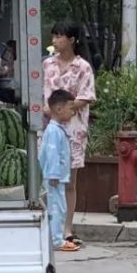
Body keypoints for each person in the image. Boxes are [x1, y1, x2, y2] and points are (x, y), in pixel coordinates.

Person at [42, 21, 96, 248]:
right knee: (48, 178)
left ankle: (66, 229)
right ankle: (47, 228)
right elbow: (39, 93)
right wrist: (47, 110)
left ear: (72, 40)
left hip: (73, 130)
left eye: (59, 36)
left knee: (69, 181)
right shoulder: (47, 65)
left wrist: (62, 108)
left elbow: (86, 96)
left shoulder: (82, 67)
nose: (55, 41)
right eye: (54, 36)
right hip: (49, 128)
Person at [40, 89, 77, 252]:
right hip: (54, 178)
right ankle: (56, 240)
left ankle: (56, 237)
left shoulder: (57, 129)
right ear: (58, 109)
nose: (73, 112)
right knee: (57, 208)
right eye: (70, 108)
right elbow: (52, 154)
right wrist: (54, 174)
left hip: (58, 177)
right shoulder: (54, 131)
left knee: (59, 207)